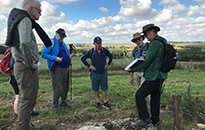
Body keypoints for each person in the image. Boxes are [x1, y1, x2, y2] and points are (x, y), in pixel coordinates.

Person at [6, 0, 45, 129]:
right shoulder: (25, 20)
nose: (40, 13)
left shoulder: (19, 19)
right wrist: (30, 63)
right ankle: (24, 127)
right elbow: (24, 43)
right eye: (39, 10)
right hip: (25, 67)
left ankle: (26, 125)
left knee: (27, 97)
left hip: (22, 65)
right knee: (27, 98)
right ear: (30, 9)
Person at [126, 24, 167, 129]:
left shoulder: (154, 44)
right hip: (161, 75)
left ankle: (145, 119)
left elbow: (147, 61)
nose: (146, 38)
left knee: (139, 95)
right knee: (155, 98)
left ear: (150, 33)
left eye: (146, 35)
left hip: (153, 76)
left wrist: (132, 69)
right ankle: (155, 120)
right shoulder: (163, 42)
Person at [41, 28, 72, 112]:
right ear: (56, 34)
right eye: (61, 36)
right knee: (57, 87)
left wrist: (69, 55)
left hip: (65, 67)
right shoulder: (51, 42)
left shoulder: (62, 42)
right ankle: (55, 105)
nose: (62, 38)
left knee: (66, 86)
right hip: (57, 68)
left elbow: (66, 52)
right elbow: (43, 54)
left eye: (63, 36)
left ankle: (63, 102)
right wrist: (55, 58)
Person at [81, 37, 113, 109]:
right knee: (96, 88)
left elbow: (111, 57)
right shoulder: (91, 52)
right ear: (94, 44)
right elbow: (83, 59)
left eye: (100, 42)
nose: (99, 44)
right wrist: (89, 66)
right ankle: (97, 102)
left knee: (104, 88)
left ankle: (105, 102)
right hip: (94, 73)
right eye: (98, 43)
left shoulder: (104, 50)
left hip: (103, 72)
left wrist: (108, 64)